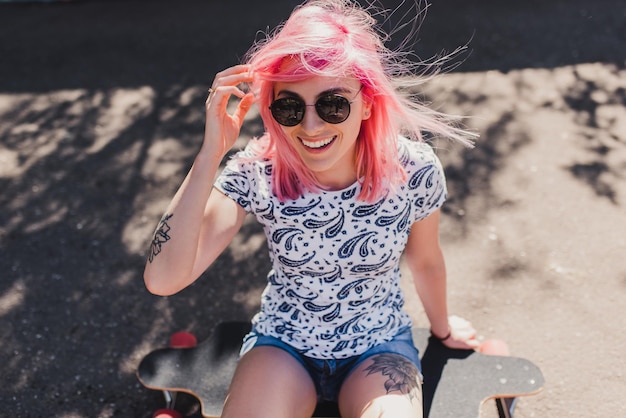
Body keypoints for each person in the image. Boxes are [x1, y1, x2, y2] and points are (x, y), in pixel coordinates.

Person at [144, 1, 479, 417]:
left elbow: (426, 261)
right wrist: (210, 153)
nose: (311, 126)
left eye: (333, 104)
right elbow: (164, 278)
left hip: (378, 346)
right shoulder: (257, 172)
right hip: (284, 346)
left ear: (368, 103)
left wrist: (443, 331)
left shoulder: (414, 169)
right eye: (289, 107)